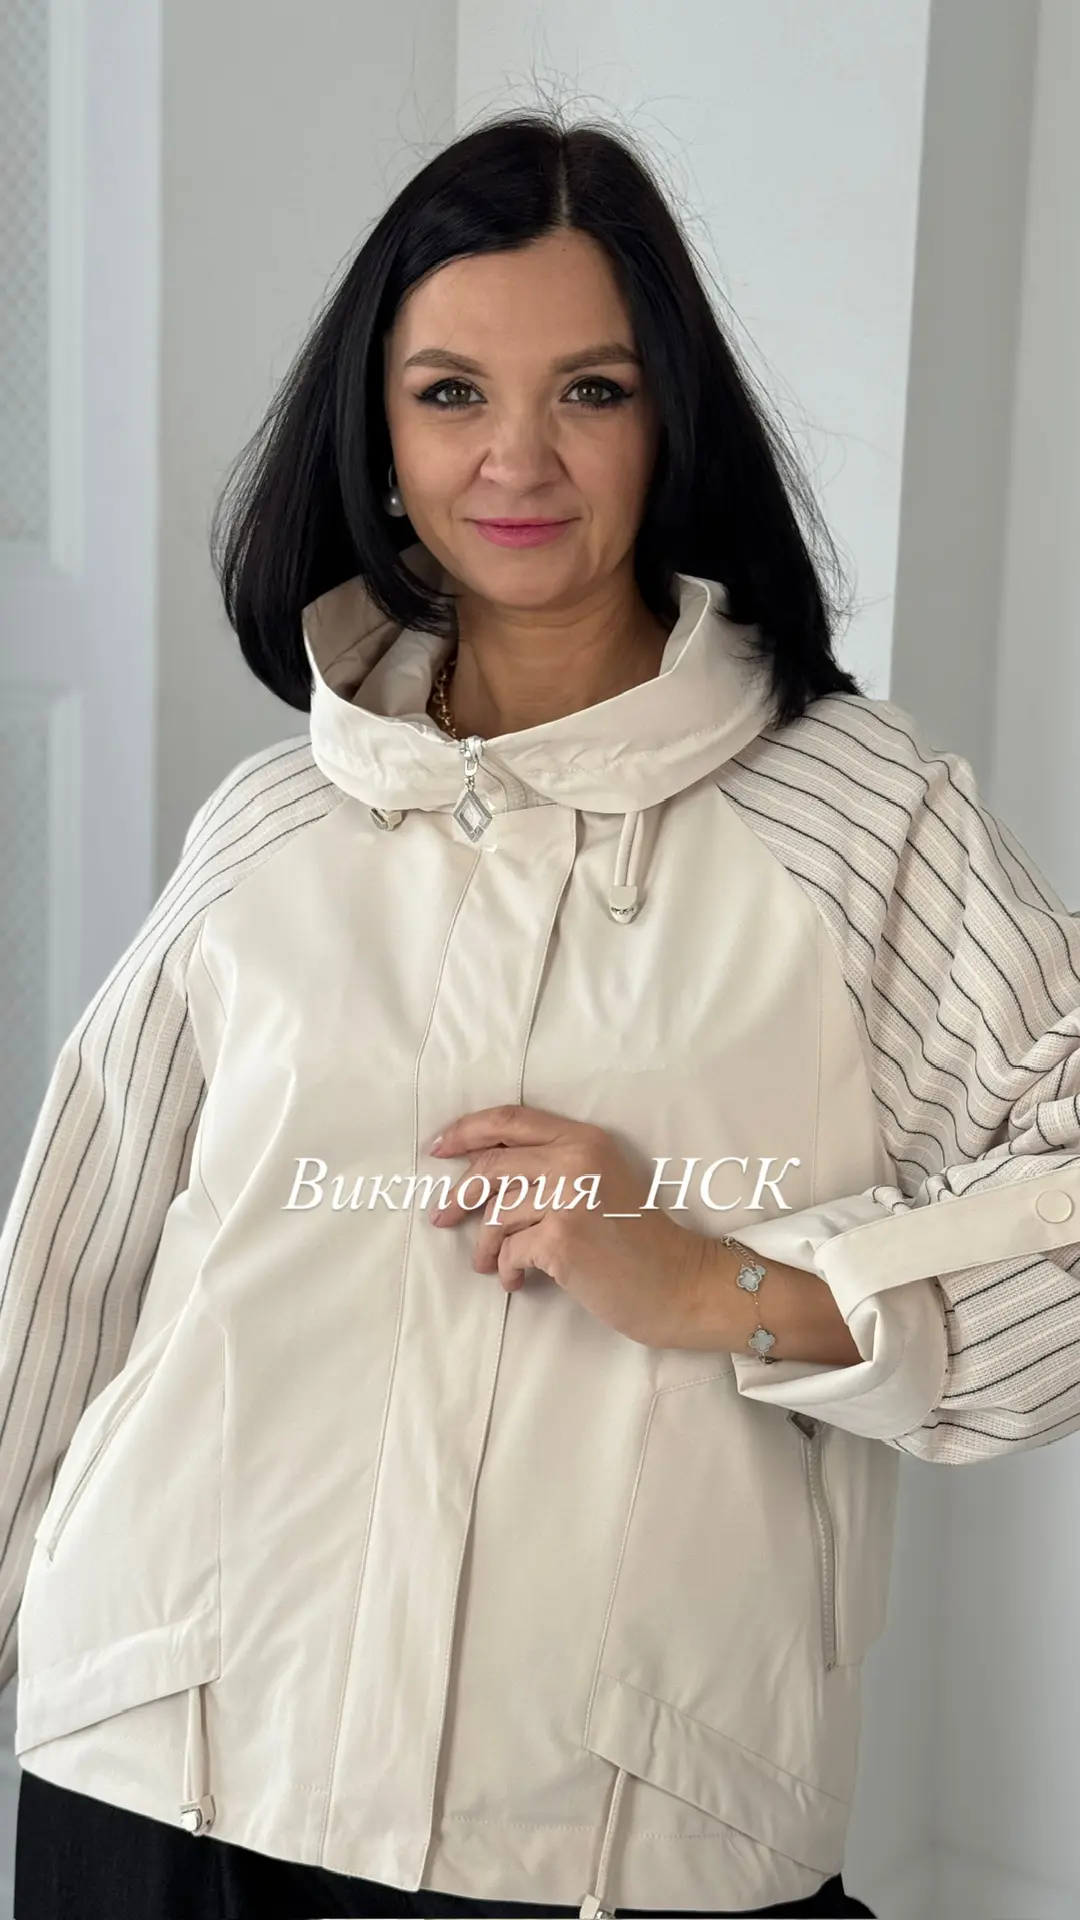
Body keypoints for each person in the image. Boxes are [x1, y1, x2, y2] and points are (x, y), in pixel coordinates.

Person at [3, 106, 1079, 1920]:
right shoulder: (272, 824)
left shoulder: (860, 815)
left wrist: (734, 1284)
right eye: (450, 394)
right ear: (378, 432)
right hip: (155, 1761)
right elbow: (71, 1276)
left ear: (672, 418)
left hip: (606, 1823)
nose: (517, 457)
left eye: (590, 389)